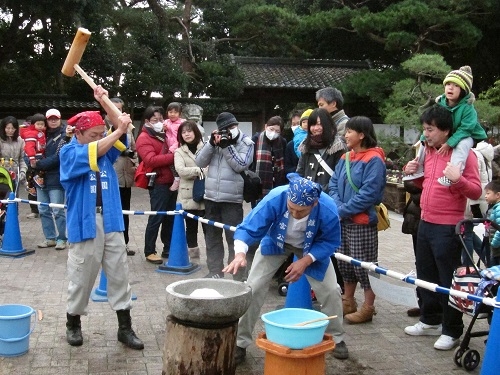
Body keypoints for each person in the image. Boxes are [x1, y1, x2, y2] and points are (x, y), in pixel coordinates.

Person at [223, 173, 348, 363]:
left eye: (301, 211)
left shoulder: (328, 208)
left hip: (312, 248)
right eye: (291, 209)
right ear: (288, 197)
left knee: (331, 290)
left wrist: (305, 261)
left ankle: (336, 337)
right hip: (276, 243)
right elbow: (248, 228)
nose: (295, 214)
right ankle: (240, 342)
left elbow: (331, 242)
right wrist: (240, 253)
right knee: (253, 287)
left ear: (314, 204)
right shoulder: (276, 197)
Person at [59, 86, 143, 350]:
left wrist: (103, 101)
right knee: (82, 276)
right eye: (93, 135)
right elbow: (105, 143)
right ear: (79, 133)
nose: (99, 138)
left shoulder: (105, 146)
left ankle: (125, 327)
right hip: (85, 223)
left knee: (119, 274)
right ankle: (73, 323)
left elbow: (120, 125)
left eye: (101, 134)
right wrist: (117, 131)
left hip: (112, 220)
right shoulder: (69, 153)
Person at [403, 105, 482, 351]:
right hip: (425, 222)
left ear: (446, 130)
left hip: (449, 226)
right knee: (425, 275)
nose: (426, 134)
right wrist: (412, 173)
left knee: (449, 279)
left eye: (430, 129)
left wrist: (457, 180)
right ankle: (430, 320)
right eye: (424, 129)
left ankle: (452, 329)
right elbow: (428, 182)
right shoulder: (428, 151)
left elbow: (476, 191)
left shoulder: (463, 154)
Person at [328, 116, 386, 324]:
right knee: (345, 262)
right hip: (343, 219)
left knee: (365, 265)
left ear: (361, 135)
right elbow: (333, 184)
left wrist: (342, 210)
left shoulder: (374, 160)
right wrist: (338, 208)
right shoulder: (345, 158)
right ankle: (348, 300)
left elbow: (369, 193)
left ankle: (368, 307)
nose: (346, 135)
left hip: (361, 221)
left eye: (350, 131)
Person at [403, 66, 487, 186]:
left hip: (467, 134)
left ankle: (453, 173)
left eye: (456, 85)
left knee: (462, 145)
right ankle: (418, 168)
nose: (450, 87)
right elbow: (433, 122)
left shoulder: (468, 108)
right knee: (423, 141)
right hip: (450, 132)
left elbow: (466, 128)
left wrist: (450, 142)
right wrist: (424, 137)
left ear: (464, 90)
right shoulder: (440, 103)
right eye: (448, 84)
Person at [195, 112, 254, 279]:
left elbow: (240, 165)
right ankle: (215, 271)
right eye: (225, 129)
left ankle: (238, 274)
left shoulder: (246, 143)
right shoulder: (213, 141)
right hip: (211, 197)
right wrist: (211, 145)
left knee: (234, 239)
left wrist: (227, 146)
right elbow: (199, 162)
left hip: (232, 199)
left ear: (236, 125)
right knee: (212, 238)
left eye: (232, 127)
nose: (229, 131)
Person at [136, 106, 177, 264]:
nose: (160, 122)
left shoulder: (165, 134)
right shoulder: (144, 138)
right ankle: (149, 250)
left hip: (172, 181)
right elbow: (150, 160)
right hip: (158, 182)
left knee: (170, 217)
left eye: (161, 119)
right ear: (147, 122)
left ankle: (168, 248)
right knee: (157, 216)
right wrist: (173, 156)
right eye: (155, 120)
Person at [104, 98, 137, 256]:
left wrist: (133, 158)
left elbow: (134, 149)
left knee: (125, 211)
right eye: (113, 108)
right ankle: (108, 244)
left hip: (125, 175)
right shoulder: (100, 128)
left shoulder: (129, 129)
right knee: (108, 211)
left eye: (119, 109)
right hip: (108, 176)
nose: (116, 112)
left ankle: (125, 243)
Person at [35, 108, 68, 250]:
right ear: (46, 120)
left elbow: (61, 156)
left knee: (57, 210)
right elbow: (29, 150)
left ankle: (62, 238)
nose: (53, 121)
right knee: (43, 209)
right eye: (50, 119)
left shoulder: (66, 135)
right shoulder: (39, 134)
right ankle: (50, 238)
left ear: (60, 119)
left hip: (56, 178)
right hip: (40, 179)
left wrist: (39, 164)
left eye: (56, 118)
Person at [174, 120, 206, 259]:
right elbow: (181, 171)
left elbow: (212, 167)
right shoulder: (179, 151)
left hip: (206, 192)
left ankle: (213, 256)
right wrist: (199, 170)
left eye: (189, 131)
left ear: (196, 132)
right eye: (183, 132)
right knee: (191, 228)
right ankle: (193, 256)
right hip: (188, 194)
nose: (187, 134)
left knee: (209, 228)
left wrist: (198, 171)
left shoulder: (206, 147)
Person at [250, 115, 288, 203]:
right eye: (271, 129)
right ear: (266, 126)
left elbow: (284, 162)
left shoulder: (282, 142)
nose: (274, 132)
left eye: (277, 131)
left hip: (277, 183)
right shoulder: (256, 139)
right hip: (258, 184)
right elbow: (251, 161)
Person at [0, 116, 27, 193]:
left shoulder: (20, 141)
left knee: (13, 201)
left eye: (13, 128)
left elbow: (22, 159)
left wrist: (22, 172)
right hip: (2, 176)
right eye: (8, 128)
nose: (10, 131)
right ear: (3, 128)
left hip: (15, 177)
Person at [20, 113, 46, 191]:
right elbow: (29, 147)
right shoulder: (31, 133)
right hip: (33, 156)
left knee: (34, 171)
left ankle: (32, 186)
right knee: (36, 170)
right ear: (33, 124)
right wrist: (32, 158)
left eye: (42, 124)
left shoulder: (41, 133)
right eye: (38, 124)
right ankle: (31, 185)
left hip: (38, 155)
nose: (40, 126)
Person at [164, 102, 184, 192]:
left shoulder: (182, 124)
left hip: (178, 147)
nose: (172, 114)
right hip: (168, 146)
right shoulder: (166, 123)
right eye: (170, 112)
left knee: (174, 163)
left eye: (175, 112)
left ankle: (177, 178)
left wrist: (172, 149)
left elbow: (180, 139)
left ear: (180, 114)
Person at [485, 180, 500, 266]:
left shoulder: (498, 208)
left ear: (498, 195)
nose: (485, 196)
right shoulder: (495, 207)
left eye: (488, 193)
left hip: (497, 247)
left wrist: (494, 243)